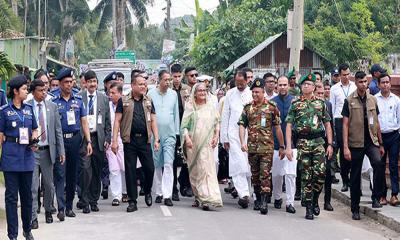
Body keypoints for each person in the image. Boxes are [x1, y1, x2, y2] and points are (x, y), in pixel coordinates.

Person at [286, 73, 333, 220]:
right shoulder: (295, 104)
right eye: (304, 84)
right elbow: (288, 125)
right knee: (306, 175)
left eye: (309, 84)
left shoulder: (320, 103)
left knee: (320, 174)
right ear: (301, 87)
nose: (306, 86)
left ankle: (315, 199)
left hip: (318, 141)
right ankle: (309, 207)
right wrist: (288, 146)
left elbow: (327, 124)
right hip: (303, 143)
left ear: (313, 87)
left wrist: (330, 144)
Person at [111, 74, 160, 212]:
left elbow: (154, 120)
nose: (143, 86)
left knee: (149, 168)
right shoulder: (124, 100)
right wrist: (114, 141)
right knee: (131, 171)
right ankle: (132, 201)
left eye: (145, 84)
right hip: (130, 140)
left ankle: (148, 190)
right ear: (133, 85)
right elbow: (117, 121)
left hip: (145, 140)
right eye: (140, 84)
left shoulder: (148, 101)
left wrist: (157, 139)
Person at [342, 71, 386, 220]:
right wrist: (346, 147)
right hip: (356, 142)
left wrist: (380, 143)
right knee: (355, 175)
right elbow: (345, 125)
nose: (363, 84)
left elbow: (377, 122)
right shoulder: (349, 100)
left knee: (378, 163)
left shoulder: (373, 100)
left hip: (371, 141)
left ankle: (376, 197)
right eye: (360, 82)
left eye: (365, 82)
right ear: (356, 83)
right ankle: (355, 208)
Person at [238, 78, 284, 215]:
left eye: (258, 92)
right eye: (253, 92)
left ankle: (264, 201)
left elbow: (277, 128)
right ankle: (257, 198)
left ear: (263, 92)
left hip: (267, 148)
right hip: (252, 148)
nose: (255, 95)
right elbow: (241, 125)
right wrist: (242, 142)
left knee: (265, 175)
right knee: (255, 175)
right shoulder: (248, 108)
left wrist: (282, 145)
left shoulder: (271, 107)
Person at [0, 75, 38, 240]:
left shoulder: (29, 109)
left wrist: (34, 139)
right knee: (11, 198)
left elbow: (35, 128)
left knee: (27, 195)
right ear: (15, 91)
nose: (26, 91)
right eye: (23, 89)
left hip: (27, 156)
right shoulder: (4, 111)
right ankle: (12, 234)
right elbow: (0, 136)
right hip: (11, 157)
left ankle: (27, 229)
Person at [52, 68, 93, 218]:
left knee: (72, 175)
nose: (69, 85)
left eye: (71, 82)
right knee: (60, 174)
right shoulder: (54, 101)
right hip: (60, 140)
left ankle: (69, 206)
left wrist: (88, 141)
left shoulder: (78, 100)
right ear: (60, 84)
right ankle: (61, 208)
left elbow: (84, 122)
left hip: (75, 140)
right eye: (66, 82)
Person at [28, 79, 65, 229]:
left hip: (48, 151)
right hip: (32, 152)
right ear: (33, 91)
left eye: (45, 90)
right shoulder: (27, 107)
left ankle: (49, 210)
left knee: (49, 185)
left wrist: (61, 151)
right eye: (40, 90)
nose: (44, 93)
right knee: (33, 186)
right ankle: (33, 217)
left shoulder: (52, 106)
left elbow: (57, 130)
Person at [181, 82, 223, 210]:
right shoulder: (190, 107)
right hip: (193, 145)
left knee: (206, 169)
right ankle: (198, 196)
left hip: (207, 144)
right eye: (199, 91)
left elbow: (217, 123)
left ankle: (208, 198)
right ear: (195, 93)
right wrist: (187, 138)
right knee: (195, 171)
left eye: (204, 91)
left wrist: (216, 137)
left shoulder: (211, 107)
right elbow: (184, 126)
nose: (202, 93)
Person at [78, 70, 111, 214]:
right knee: (85, 170)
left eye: (94, 82)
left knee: (97, 170)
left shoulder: (103, 98)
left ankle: (93, 200)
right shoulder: (79, 97)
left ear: (97, 83)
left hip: (99, 139)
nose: (92, 84)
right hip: (84, 139)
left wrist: (108, 138)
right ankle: (84, 200)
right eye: (89, 81)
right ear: (85, 83)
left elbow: (107, 121)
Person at [220, 70, 252, 208]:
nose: (239, 86)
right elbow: (225, 115)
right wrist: (224, 137)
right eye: (237, 83)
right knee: (238, 163)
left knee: (248, 165)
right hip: (233, 134)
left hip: (249, 134)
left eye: (242, 83)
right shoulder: (230, 94)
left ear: (247, 81)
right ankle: (243, 194)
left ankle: (250, 192)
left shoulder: (253, 93)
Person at [147, 70, 180, 207]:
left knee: (168, 164)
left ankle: (167, 195)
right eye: (165, 80)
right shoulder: (150, 94)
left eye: (169, 80)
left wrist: (177, 133)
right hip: (155, 135)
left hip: (170, 134)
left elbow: (176, 115)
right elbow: (148, 115)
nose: (168, 82)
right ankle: (159, 192)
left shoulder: (173, 95)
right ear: (159, 81)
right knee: (157, 164)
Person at [271, 76, 297, 214]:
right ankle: (277, 197)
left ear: (289, 86)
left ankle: (290, 202)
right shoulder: (272, 103)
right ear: (276, 86)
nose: (282, 87)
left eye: (284, 84)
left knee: (291, 174)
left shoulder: (295, 102)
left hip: (292, 144)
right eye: (280, 84)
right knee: (276, 175)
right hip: (276, 145)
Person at [329, 63, 357, 192]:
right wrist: (334, 127)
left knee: (354, 149)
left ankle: (353, 180)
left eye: (348, 74)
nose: (346, 77)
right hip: (339, 120)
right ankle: (345, 181)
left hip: (353, 120)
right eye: (344, 75)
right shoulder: (334, 89)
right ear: (339, 75)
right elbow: (333, 108)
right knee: (343, 150)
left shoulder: (355, 87)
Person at [375, 73, 400, 206]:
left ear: (390, 84)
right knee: (380, 166)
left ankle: (395, 194)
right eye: (383, 82)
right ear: (378, 84)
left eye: (387, 82)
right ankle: (382, 195)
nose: (385, 84)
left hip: (394, 135)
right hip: (380, 137)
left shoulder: (396, 100)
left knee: (393, 165)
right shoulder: (374, 99)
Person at [170, 64, 191, 201]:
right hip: (172, 128)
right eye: (174, 76)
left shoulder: (187, 90)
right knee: (172, 160)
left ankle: (185, 183)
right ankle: (173, 189)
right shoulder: (168, 90)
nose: (177, 79)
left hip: (185, 128)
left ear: (182, 75)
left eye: (179, 76)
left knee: (187, 158)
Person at [314, 82, 335, 211]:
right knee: (315, 174)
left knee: (327, 173)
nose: (321, 96)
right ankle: (314, 200)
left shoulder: (328, 105)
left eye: (323, 93)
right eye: (319, 93)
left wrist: (332, 143)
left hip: (327, 143)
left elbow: (331, 125)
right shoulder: (310, 106)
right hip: (314, 143)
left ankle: (327, 201)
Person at [106, 82, 127, 206]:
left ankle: (126, 191)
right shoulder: (107, 106)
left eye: (113, 93)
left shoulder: (126, 105)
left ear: (120, 93)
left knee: (125, 167)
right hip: (111, 141)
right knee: (114, 168)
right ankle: (116, 196)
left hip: (124, 140)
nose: (111, 95)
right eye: (110, 92)